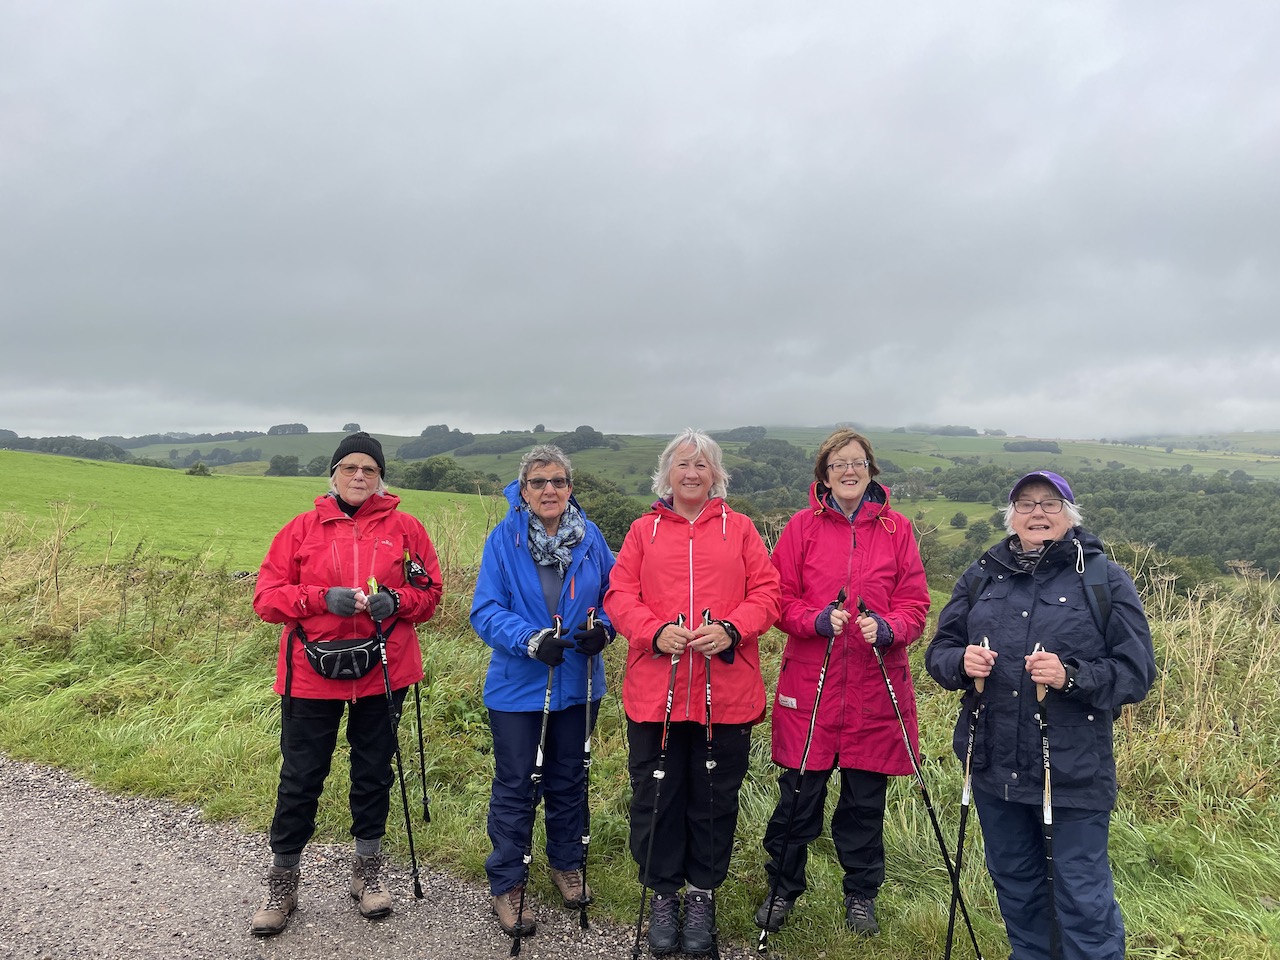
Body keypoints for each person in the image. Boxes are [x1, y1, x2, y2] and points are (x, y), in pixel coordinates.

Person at [925, 470, 1156, 960]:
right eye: (1026, 504)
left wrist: (1071, 676)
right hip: (990, 765)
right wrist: (961, 663)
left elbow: (1135, 673)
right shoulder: (982, 573)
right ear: (1011, 517)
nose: (1037, 513)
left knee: (1082, 895)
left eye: (1050, 504)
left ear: (1070, 516)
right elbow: (939, 651)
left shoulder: (1103, 578)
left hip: (1072, 770)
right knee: (1017, 884)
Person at [249, 432, 443, 936]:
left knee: (373, 772)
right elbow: (267, 599)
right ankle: (283, 882)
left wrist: (397, 602)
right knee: (300, 778)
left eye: (370, 470)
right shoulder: (300, 529)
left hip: (384, 669)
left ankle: (367, 871)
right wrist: (319, 599)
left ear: (381, 477)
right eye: (350, 468)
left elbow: (429, 594)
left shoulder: (406, 529)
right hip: (311, 675)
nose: (360, 477)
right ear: (333, 473)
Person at [604, 428, 781, 958]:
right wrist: (653, 631)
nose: (692, 473)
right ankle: (662, 893)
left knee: (712, 798)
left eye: (702, 465)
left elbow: (768, 594)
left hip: (724, 693)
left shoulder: (742, 529)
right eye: (683, 464)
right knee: (656, 797)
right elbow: (618, 594)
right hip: (655, 691)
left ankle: (702, 894)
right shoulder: (642, 531)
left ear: (717, 475)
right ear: (667, 473)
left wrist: (732, 628)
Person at [754, 427, 930, 937]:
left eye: (856, 462)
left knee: (863, 803)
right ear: (823, 475)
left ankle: (860, 896)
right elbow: (775, 598)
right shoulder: (801, 528)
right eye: (837, 465)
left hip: (875, 686)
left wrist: (891, 627)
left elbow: (916, 604)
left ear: (871, 469)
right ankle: (782, 888)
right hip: (812, 685)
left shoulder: (898, 530)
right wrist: (812, 619)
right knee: (798, 798)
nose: (848, 471)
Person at [470, 445, 616, 938]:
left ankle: (565, 862)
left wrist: (608, 629)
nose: (549, 490)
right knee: (516, 785)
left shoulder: (591, 537)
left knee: (569, 777)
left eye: (558, 481)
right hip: (518, 687)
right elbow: (485, 611)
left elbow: (620, 593)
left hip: (580, 682)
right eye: (538, 483)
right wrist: (530, 640)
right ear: (524, 491)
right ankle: (508, 883)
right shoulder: (504, 539)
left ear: (570, 487)